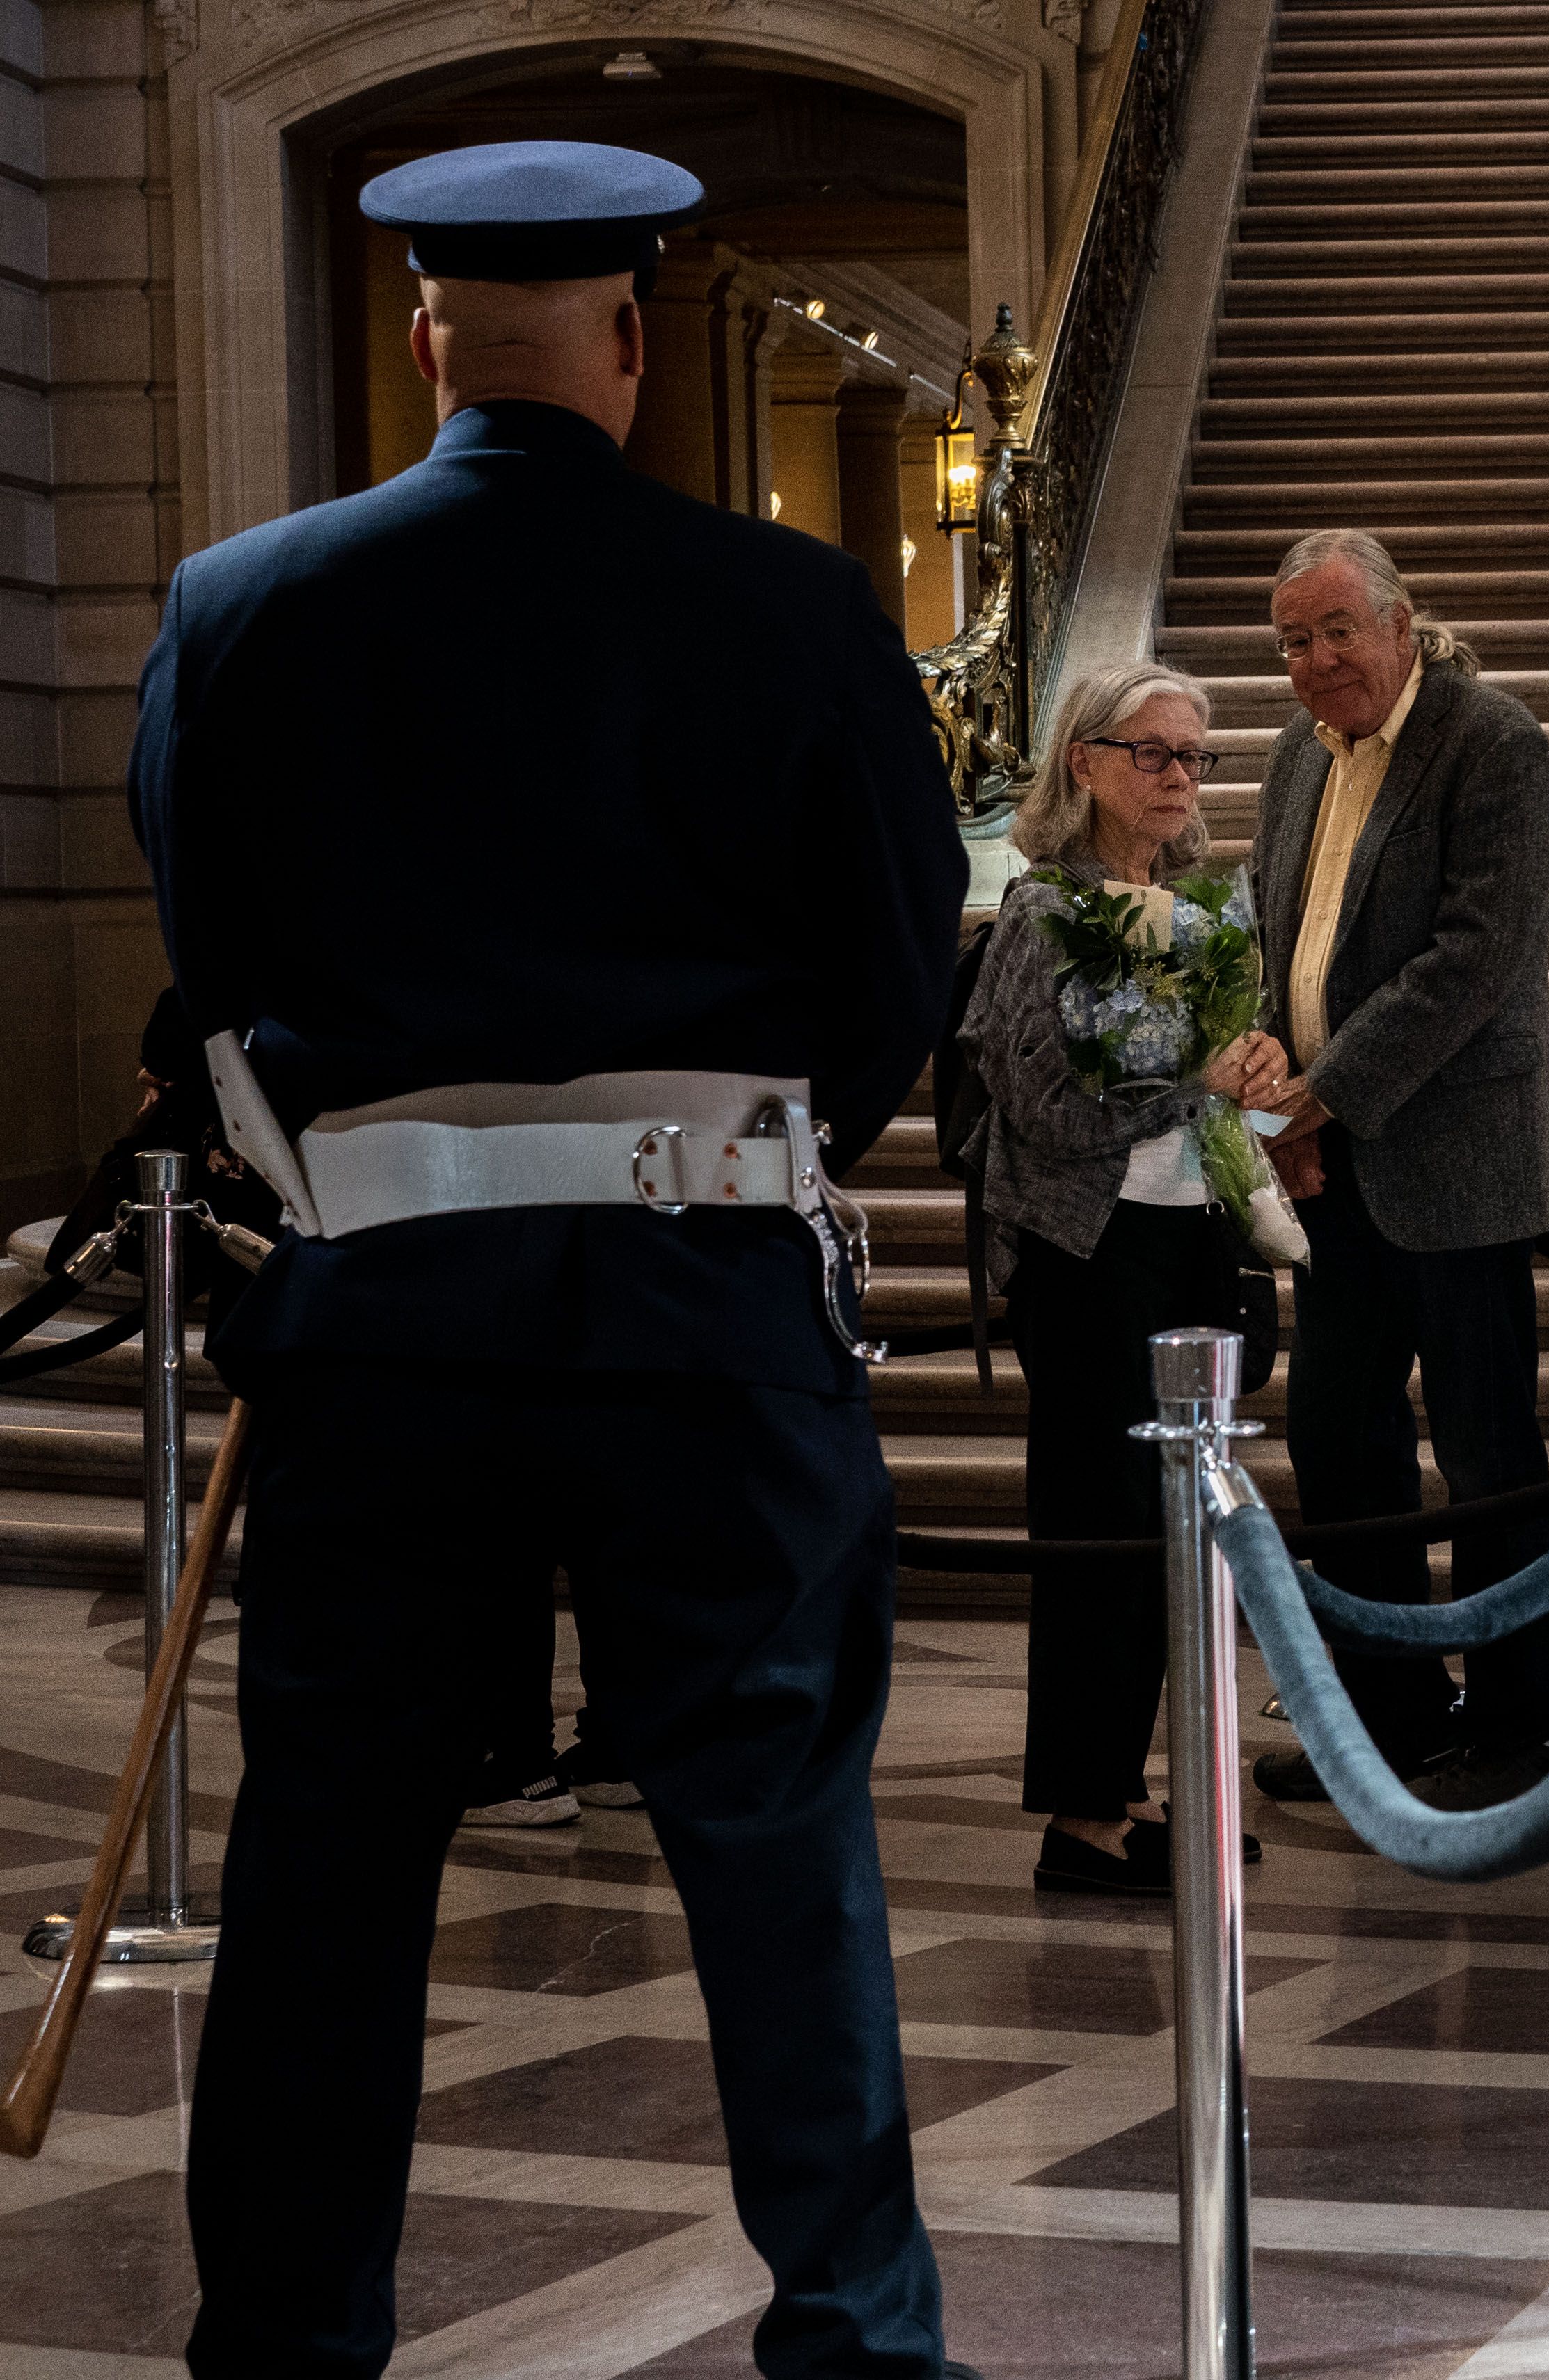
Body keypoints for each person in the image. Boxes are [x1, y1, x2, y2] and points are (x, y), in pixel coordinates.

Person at [127, 143, 975, 2379]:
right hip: (701, 1306)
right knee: (780, 1847)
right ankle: (856, 2337)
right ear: (626, 336)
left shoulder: (241, 603)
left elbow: (206, 972)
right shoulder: (797, 610)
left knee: (331, 1864)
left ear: (426, 335)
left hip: (387, 1321)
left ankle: (287, 2343)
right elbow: (898, 970)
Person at [1232, 528, 1549, 1814]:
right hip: (1328, 1169)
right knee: (1336, 1437)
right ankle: (1384, 1716)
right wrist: (1271, 1071)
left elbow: (1474, 961)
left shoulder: (1491, 741)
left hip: (1455, 1160)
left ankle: (1517, 1714)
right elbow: (1280, 937)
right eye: (1293, 642)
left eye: (1336, 631)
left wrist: (1327, 1090)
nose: (1316, 661)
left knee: (1489, 1451)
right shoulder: (1289, 757)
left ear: (1401, 622)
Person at [962, 662, 1278, 1892]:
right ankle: (1083, 1819)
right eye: (1152, 752)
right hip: (1087, 1252)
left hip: (1193, 1232)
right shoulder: (1048, 917)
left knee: (1181, 1538)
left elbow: (1215, 1073)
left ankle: (1150, 1793)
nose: (1178, 778)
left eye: (1194, 756)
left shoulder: (1201, 902)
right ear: (1083, 762)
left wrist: (1248, 1066)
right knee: (1098, 1535)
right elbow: (1039, 1111)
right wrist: (1187, 1082)